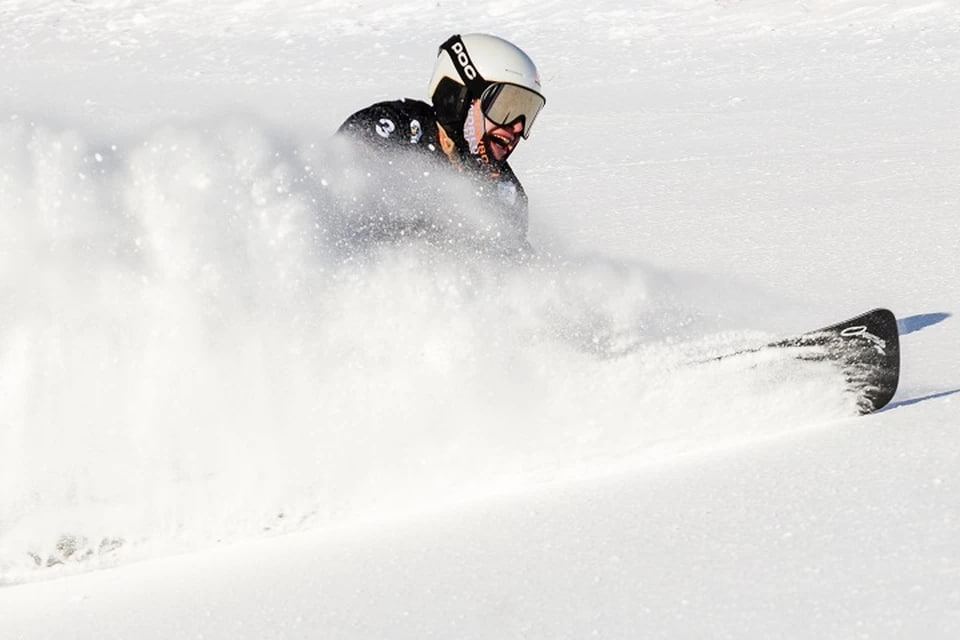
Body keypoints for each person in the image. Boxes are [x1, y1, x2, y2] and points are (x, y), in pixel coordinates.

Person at [335, 33, 545, 255]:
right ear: (460, 96)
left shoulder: (506, 192)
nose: (518, 127)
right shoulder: (395, 128)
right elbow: (331, 195)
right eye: (505, 107)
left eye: (527, 112)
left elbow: (513, 274)